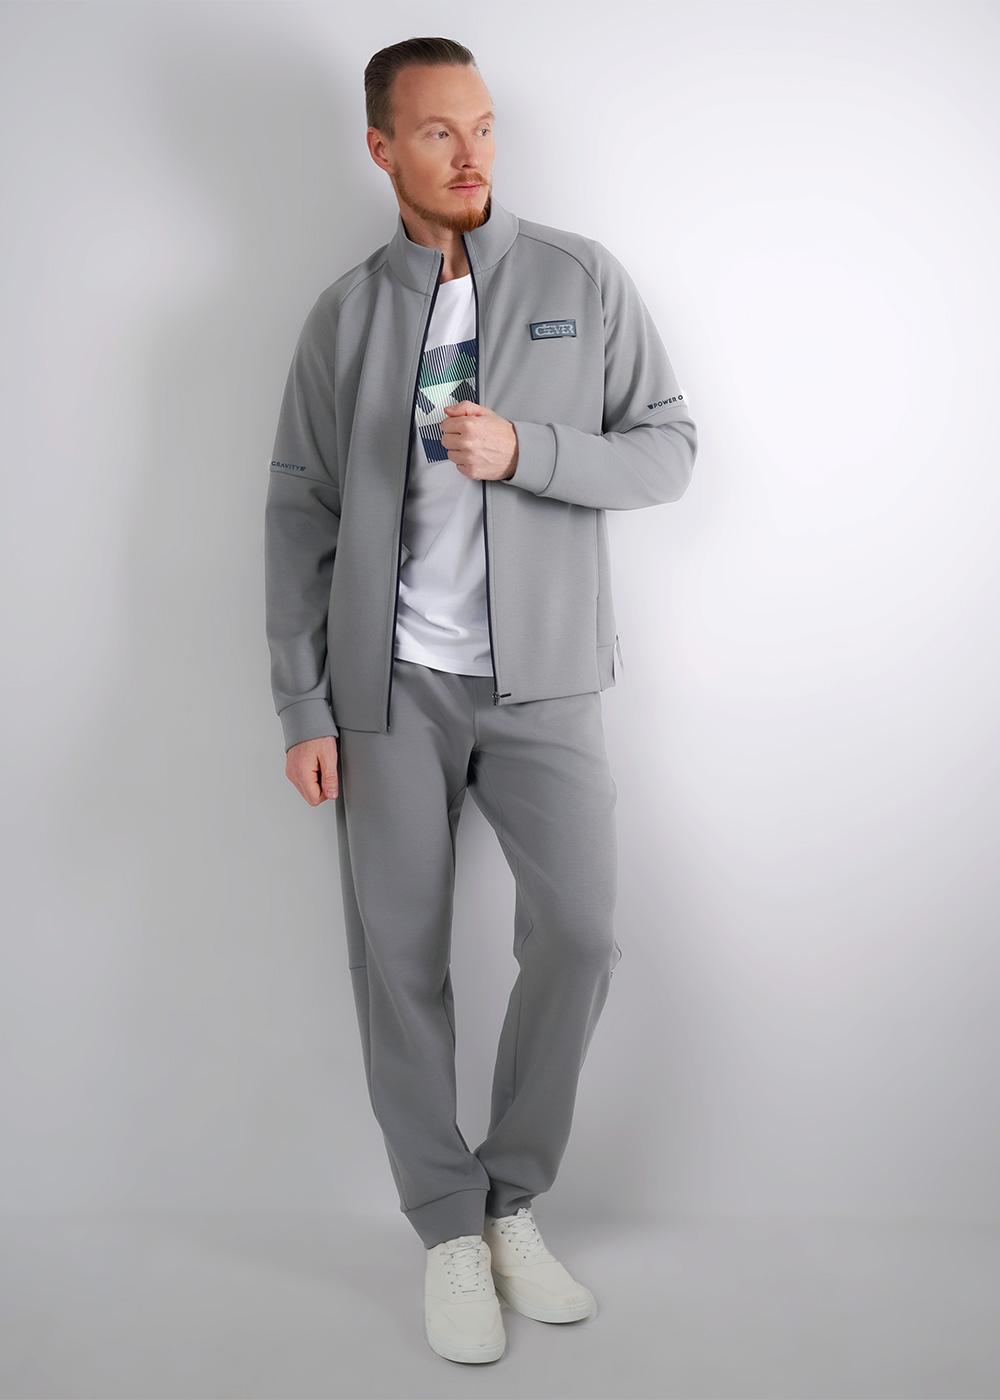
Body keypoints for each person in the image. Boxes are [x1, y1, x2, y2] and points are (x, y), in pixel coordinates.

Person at [263, 36, 698, 1365]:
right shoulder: (346, 316)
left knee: (580, 934)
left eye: (484, 126)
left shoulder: (578, 279)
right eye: (438, 133)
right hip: (390, 690)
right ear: (383, 148)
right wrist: (304, 704)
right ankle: (447, 1227)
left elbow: (669, 449)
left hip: (545, 684)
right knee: (397, 963)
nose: (471, 155)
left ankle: (512, 1198)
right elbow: (299, 515)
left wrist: (532, 451)